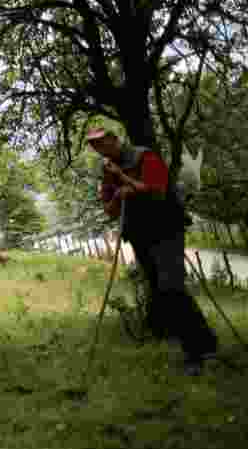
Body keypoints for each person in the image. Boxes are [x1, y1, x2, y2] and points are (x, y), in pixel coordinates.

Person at [86, 127, 217, 375]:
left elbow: (157, 190)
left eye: (103, 143)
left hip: (166, 229)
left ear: (115, 139)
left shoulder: (145, 157)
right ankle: (205, 343)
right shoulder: (107, 172)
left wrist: (124, 181)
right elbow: (110, 209)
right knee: (162, 291)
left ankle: (195, 353)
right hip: (140, 235)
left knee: (171, 287)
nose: (100, 150)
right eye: (95, 147)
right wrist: (117, 195)